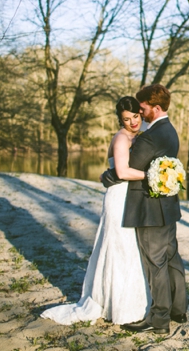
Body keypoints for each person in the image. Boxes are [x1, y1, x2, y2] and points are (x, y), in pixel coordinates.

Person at [42, 97, 150, 325]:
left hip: (130, 199)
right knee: (118, 250)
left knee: (130, 251)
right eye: (126, 119)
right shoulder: (121, 138)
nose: (132, 122)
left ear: (141, 114)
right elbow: (121, 171)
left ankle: (131, 302)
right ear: (120, 120)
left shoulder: (139, 135)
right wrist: (154, 176)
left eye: (135, 117)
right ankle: (117, 305)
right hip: (119, 199)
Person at [101, 84, 187, 335]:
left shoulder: (151, 136)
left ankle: (159, 320)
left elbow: (127, 169)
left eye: (143, 108)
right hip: (167, 206)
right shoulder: (169, 131)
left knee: (155, 262)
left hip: (150, 209)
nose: (140, 112)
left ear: (156, 108)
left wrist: (108, 175)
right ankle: (178, 309)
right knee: (171, 258)